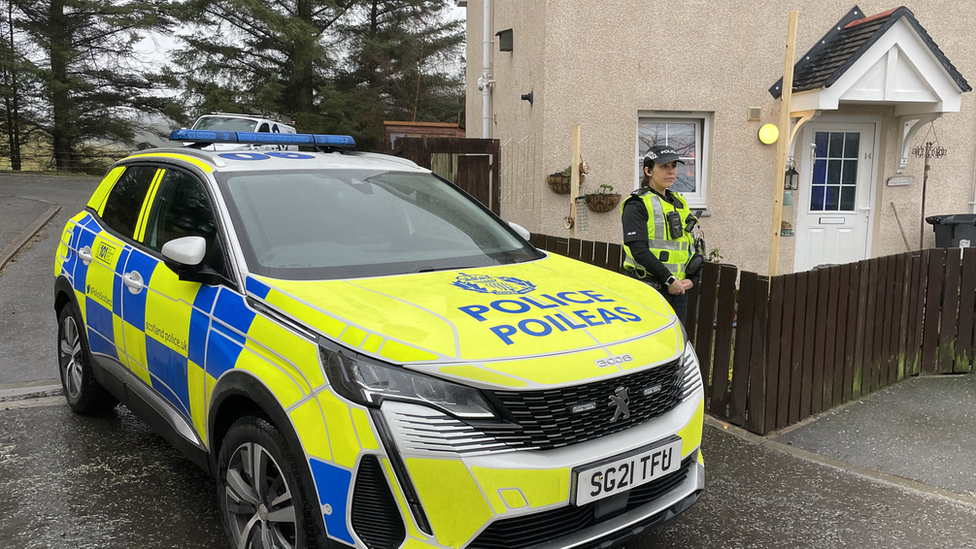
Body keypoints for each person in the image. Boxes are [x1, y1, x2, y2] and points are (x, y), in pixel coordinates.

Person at [621, 145, 699, 324]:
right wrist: (668, 279)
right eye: (664, 166)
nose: (671, 171)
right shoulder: (637, 204)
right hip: (647, 288)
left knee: (676, 343)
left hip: (677, 289)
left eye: (673, 166)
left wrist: (693, 279)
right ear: (648, 170)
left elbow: (689, 245)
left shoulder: (679, 203)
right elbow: (638, 249)